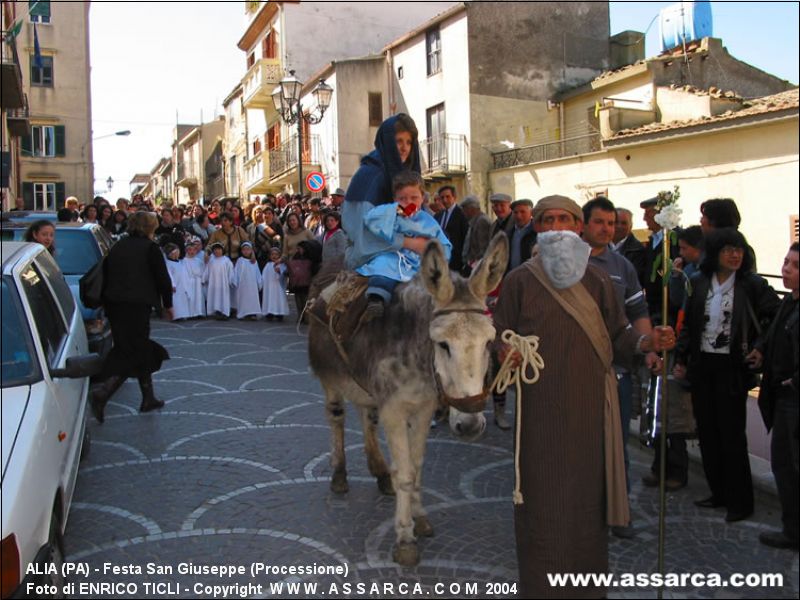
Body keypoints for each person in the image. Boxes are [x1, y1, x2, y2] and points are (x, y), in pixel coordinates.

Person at [493, 194, 675, 598]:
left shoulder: (598, 281)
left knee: (587, 510)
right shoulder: (519, 281)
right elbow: (498, 332)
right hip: (540, 416)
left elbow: (620, 336)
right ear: (537, 228)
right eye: (548, 220)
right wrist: (504, 351)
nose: (557, 226)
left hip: (590, 412)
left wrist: (648, 341)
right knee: (542, 506)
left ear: (578, 226)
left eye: (565, 219)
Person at [674, 228, 780, 523]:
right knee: (707, 433)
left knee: (732, 435)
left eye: (739, 250)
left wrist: (760, 348)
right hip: (703, 365)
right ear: (715, 253)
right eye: (728, 250)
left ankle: (740, 501)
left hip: (732, 367)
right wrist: (681, 358)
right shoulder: (698, 281)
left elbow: (775, 315)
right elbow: (688, 325)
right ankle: (718, 492)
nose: (735, 255)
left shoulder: (752, 284)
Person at [582, 196, 659, 538]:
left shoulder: (623, 266)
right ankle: (579, 510)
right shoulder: (567, 263)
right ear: (583, 224)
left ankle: (619, 512)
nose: (606, 229)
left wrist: (648, 349)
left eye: (611, 224)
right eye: (600, 222)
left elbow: (638, 312)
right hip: (573, 370)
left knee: (616, 444)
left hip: (616, 369)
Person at [90, 211, 173, 423]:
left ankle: (148, 398)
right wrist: (168, 305)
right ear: (149, 227)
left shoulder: (118, 246)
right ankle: (103, 393)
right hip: (136, 306)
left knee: (134, 348)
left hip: (115, 305)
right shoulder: (150, 248)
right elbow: (163, 279)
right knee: (134, 350)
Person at [751, 242, 799, 550]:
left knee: (789, 464)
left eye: (794, 266)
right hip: (783, 395)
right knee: (784, 463)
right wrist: (760, 351)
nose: (786, 269)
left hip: (793, 398)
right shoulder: (789, 302)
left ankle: (793, 531)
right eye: (785, 262)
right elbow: (774, 335)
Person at [356, 171, 451, 320]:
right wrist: (393, 210)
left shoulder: (428, 220)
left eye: (414, 197)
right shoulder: (389, 213)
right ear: (394, 199)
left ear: (422, 198)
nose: (408, 202)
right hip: (393, 256)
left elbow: (443, 244)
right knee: (382, 266)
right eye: (402, 198)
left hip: (417, 262)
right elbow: (370, 219)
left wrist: (434, 251)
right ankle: (377, 297)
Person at [343, 113, 423, 272]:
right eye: (398, 141)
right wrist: (410, 243)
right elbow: (364, 231)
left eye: (409, 142)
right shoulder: (370, 175)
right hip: (370, 263)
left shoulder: (402, 177)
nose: (404, 148)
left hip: (404, 259)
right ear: (387, 142)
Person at [434, 185, 469, 274]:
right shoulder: (438, 216)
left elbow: (466, 238)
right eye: (442, 198)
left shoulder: (462, 215)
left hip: (456, 263)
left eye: (447, 197)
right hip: (439, 261)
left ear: (454, 197)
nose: (445, 200)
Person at [612, 207, 646, 285]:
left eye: (624, 223)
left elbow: (634, 280)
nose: (619, 226)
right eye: (616, 222)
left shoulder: (638, 250)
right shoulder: (598, 245)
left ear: (631, 226)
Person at [460, 195, 491, 276]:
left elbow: (483, 248)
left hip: (477, 268)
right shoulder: (474, 220)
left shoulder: (482, 221)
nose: (463, 212)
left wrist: (473, 265)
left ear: (471, 209)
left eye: (464, 209)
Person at [204, 242, 235, 320]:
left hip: (223, 284)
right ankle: (217, 311)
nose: (217, 251)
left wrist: (231, 281)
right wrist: (204, 278)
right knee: (215, 297)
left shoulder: (226, 260)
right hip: (213, 284)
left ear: (222, 250)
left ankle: (224, 312)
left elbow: (230, 271)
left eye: (219, 249)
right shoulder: (211, 260)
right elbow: (207, 270)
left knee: (223, 297)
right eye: (215, 250)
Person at [233, 242, 263, 321]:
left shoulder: (254, 261)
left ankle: (252, 313)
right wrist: (235, 281)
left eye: (248, 249)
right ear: (241, 251)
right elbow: (236, 272)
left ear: (251, 251)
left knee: (252, 299)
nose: (246, 251)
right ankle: (244, 313)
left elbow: (257, 273)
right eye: (244, 250)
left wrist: (259, 283)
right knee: (243, 299)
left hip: (252, 285)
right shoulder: (240, 260)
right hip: (243, 285)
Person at [507, 199, 536, 272]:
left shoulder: (537, 232)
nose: (519, 216)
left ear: (531, 213)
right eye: (515, 212)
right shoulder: (508, 233)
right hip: (511, 277)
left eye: (523, 212)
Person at [262, 247, 290, 322]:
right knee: (269, 299)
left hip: (279, 287)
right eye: (272, 254)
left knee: (279, 299)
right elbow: (264, 276)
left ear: (279, 255)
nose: (274, 256)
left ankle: (280, 313)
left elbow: (285, 274)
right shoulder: (268, 265)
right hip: (269, 287)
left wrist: (279, 271)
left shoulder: (282, 264)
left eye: (276, 254)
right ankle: (269, 313)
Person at [163, 243, 190, 320]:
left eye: (178, 252)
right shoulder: (168, 263)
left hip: (182, 285)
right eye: (175, 253)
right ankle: (176, 316)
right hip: (175, 285)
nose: (177, 255)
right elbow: (169, 275)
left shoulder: (180, 262)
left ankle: (182, 315)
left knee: (182, 300)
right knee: (176, 301)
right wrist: (172, 285)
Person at [181, 237, 206, 319]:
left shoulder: (198, 261)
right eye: (190, 250)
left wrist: (202, 279)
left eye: (194, 250)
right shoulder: (184, 261)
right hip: (189, 282)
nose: (192, 252)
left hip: (198, 282)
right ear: (186, 251)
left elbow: (203, 271)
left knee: (198, 297)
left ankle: (199, 312)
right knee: (191, 297)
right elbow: (183, 273)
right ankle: (191, 313)